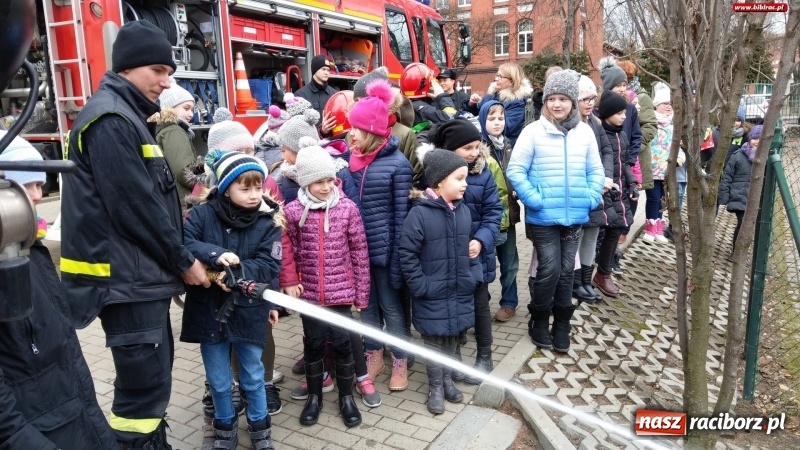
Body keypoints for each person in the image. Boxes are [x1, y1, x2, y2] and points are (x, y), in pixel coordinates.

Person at [59, 20, 209, 449]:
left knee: (153, 383)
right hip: (126, 284)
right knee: (142, 394)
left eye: (169, 72)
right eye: (158, 71)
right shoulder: (111, 119)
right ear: (128, 66)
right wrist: (183, 262)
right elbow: (136, 209)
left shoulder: (125, 114)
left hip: (136, 279)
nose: (166, 82)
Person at [0, 132, 117, 450]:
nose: (39, 195)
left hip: (70, 416)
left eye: (42, 184)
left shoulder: (28, 249)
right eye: (29, 185)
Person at [181, 151, 281, 449]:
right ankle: (225, 429)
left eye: (257, 187)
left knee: (253, 374)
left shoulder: (269, 222)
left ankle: (260, 429)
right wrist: (215, 255)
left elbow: (269, 265)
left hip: (249, 308)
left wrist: (235, 275)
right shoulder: (201, 214)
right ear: (225, 187)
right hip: (208, 309)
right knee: (219, 379)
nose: (254, 195)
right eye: (245, 188)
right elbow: (184, 243)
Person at [506, 69, 604, 353]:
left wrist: (590, 196)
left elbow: (595, 170)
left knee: (566, 272)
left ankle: (562, 323)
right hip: (543, 217)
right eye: (552, 99)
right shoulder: (533, 132)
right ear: (545, 101)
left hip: (575, 215)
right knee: (548, 268)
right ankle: (538, 318)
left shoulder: (585, 132)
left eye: (563, 99)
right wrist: (533, 199)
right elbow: (516, 169)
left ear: (573, 101)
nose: (557, 104)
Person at [283, 145, 371, 427]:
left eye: (329, 180)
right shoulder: (293, 211)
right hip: (309, 294)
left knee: (344, 344)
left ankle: (347, 397)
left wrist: (361, 292)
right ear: (305, 181)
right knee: (314, 344)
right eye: (318, 181)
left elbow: (359, 252)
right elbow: (290, 251)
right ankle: (315, 397)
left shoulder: (347, 209)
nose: (325, 187)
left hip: (341, 292)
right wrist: (292, 283)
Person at [399, 148, 477, 414]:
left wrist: (471, 276)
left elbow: (469, 248)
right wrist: (421, 285)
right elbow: (407, 254)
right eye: (459, 178)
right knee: (434, 341)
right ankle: (435, 386)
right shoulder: (420, 214)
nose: (465, 183)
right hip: (431, 292)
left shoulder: (463, 211)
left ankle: (447, 380)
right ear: (440, 181)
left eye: (465, 177)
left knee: (453, 336)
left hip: (458, 290)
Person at [348, 78, 413, 391]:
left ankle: (400, 359)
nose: (350, 135)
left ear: (372, 131)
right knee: (367, 307)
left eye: (356, 130)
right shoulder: (351, 163)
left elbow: (401, 216)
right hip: (358, 252)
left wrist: (398, 258)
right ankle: (373, 354)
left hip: (386, 253)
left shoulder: (398, 165)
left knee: (391, 308)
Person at [427, 118, 503, 384]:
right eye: (467, 148)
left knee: (480, 306)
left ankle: (485, 357)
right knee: (453, 308)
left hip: (476, 254)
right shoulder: (436, 175)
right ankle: (455, 359)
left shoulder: (484, 174)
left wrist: (481, 240)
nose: (474, 153)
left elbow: (495, 212)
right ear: (450, 149)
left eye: (476, 147)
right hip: (447, 256)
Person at [478, 100, 521, 321]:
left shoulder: (509, 145)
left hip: (509, 214)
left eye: (501, 118)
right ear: (483, 120)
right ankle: (481, 305)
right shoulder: (479, 149)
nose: (497, 123)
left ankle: (509, 302)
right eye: (491, 118)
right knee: (484, 262)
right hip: (486, 217)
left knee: (510, 262)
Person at [592, 92, 637, 297]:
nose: (623, 117)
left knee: (616, 230)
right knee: (606, 232)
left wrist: (633, 182)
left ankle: (604, 274)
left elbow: (625, 162)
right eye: (619, 113)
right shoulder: (600, 134)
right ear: (608, 113)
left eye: (624, 112)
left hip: (620, 190)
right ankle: (601, 274)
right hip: (605, 190)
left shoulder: (622, 135)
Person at [573, 75, 613, 304]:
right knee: (577, 238)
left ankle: (586, 282)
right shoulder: (571, 126)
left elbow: (606, 151)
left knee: (592, 236)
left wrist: (605, 176)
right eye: (585, 99)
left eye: (592, 99)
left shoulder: (595, 124)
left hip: (598, 189)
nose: (590, 103)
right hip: (582, 191)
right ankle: (576, 283)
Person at [274, 109, 358, 203]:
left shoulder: (338, 171)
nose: (282, 156)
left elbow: (354, 208)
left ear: (298, 150)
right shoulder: (286, 176)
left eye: (283, 150)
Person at [151, 77, 197, 213]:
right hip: (184, 203)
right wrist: (206, 182)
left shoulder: (161, 129)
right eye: (186, 108)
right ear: (170, 108)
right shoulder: (174, 131)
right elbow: (184, 170)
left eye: (192, 109)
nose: (191, 114)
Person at [719, 125, 762, 261]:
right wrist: (724, 196)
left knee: (749, 225)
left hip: (755, 199)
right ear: (750, 138)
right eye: (755, 138)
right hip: (739, 196)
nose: (757, 141)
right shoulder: (738, 156)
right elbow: (727, 176)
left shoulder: (766, 158)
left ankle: (744, 252)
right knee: (743, 223)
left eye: (761, 139)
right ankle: (736, 252)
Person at [467, 62, 533, 146]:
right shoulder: (490, 95)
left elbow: (507, 128)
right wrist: (471, 104)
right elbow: (475, 113)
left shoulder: (516, 102)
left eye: (500, 77)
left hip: (503, 148)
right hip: (485, 142)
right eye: (497, 75)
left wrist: (477, 125)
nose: (496, 79)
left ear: (511, 81)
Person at [642, 83, 674, 245]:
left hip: (667, 171)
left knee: (662, 200)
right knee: (653, 198)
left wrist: (679, 158)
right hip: (653, 169)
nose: (668, 107)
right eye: (665, 104)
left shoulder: (673, 125)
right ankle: (650, 227)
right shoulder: (651, 123)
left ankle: (659, 228)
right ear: (656, 106)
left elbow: (678, 146)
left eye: (670, 104)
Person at [294, 54, 338, 137]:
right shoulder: (300, 95)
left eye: (328, 70)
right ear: (315, 70)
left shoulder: (334, 95)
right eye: (323, 69)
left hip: (331, 142)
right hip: (309, 144)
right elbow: (297, 126)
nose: (326, 73)